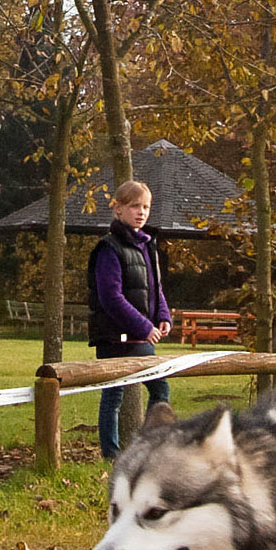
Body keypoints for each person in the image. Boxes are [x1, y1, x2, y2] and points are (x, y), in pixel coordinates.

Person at [87, 180, 172, 461]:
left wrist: (162, 316)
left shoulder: (148, 245)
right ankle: (111, 455)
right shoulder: (108, 249)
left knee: (160, 388)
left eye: (146, 206)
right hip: (114, 338)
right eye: (135, 206)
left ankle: (146, 449)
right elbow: (110, 297)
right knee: (113, 397)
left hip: (141, 338)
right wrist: (143, 326)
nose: (141, 212)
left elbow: (155, 287)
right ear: (118, 209)